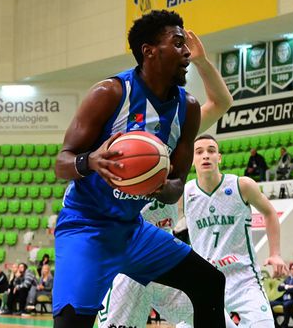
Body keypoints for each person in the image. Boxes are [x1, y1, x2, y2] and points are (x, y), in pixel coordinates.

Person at [53, 9, 227, 328]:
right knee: (71, 323)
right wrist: (90, 161)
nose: (187, 52)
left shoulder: (186, 108)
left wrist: (163, 186)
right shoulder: (111, 93)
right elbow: (61, 163)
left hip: (133, 230)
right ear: (149, 51)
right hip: (86, 226)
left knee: (209, 282)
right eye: (177, 43)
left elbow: (177, 182)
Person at [98, 24, 234, 328]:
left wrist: (200, 62)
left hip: (164, 258)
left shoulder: (176, 133)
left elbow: (222, 103)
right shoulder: (121, 146)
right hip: (127, 263)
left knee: (217, 315)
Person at [182, 134, 288, 327]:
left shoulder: (242, 185)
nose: (206, 155)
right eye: (199, 152)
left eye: (211, 151)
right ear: (192, 159)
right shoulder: (185, 193)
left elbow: (270, 213)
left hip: (243, 280)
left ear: (219, 157)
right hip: (205, 282)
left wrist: (275, 254)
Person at [270, 263, 293, 328]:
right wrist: (287, 286)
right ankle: (275, 324)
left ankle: (285, 324)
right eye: (292, 269)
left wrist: (285, 287)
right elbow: (279, 288)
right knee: (270, 304)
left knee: (287, 304)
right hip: (284, 299)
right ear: (290, 270)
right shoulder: (288, 279)